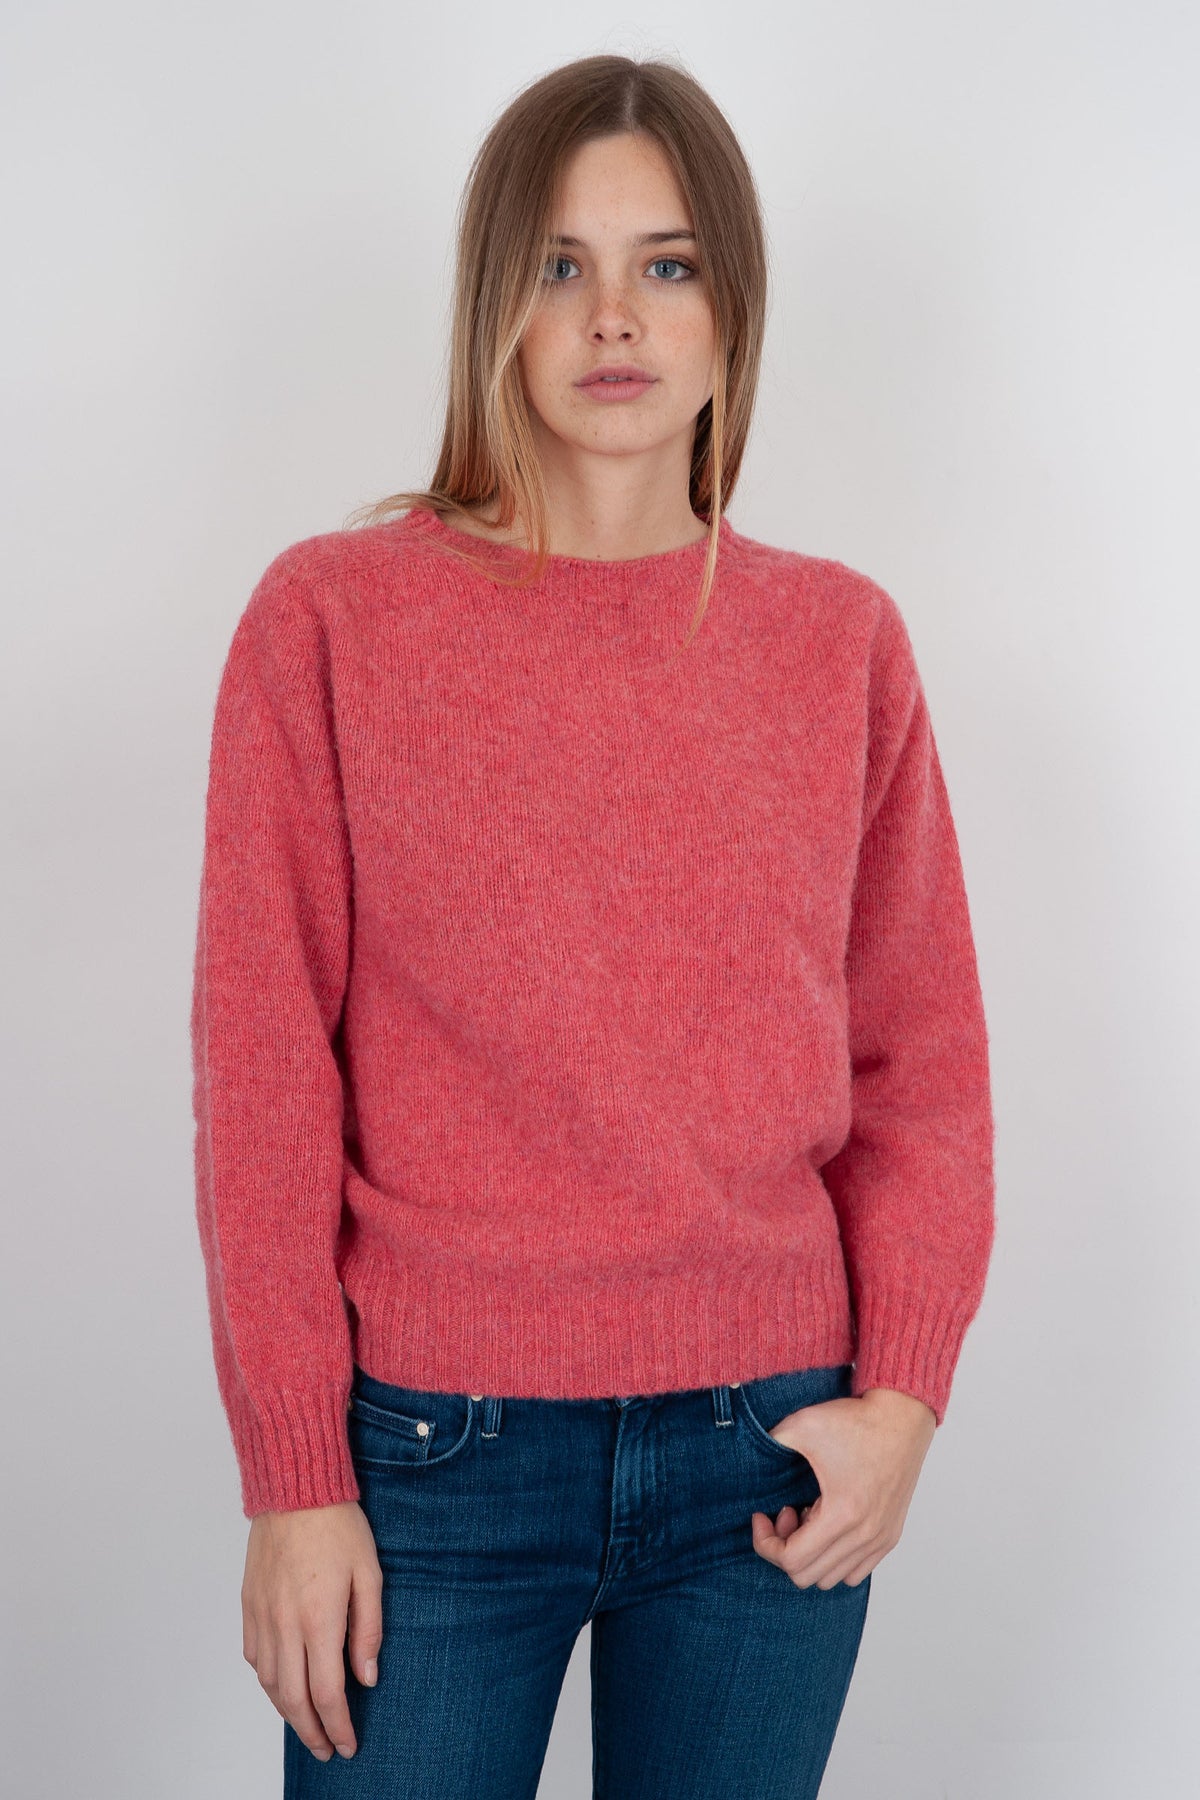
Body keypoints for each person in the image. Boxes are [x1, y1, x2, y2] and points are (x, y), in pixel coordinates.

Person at [190, 53, 995, 1800]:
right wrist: (292, 1477)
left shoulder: (840, 643)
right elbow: (264, 1076)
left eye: (667, 264)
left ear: (730, 310)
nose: (614, 315)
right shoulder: (331, 622)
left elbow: (921, 1064)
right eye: (561, 264)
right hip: (429, 1456)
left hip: (769, 1452)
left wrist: (906, 1402)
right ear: (496, 298)